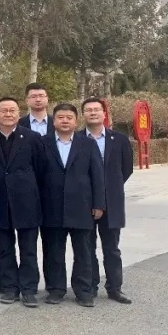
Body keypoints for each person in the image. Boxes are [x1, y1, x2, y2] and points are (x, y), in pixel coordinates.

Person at [0, 97, 44, 308]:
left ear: (18, 113)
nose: (8, 114)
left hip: (26, 202)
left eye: (12, 110)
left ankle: (29, 289)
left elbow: (40, 170)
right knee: (3, 248)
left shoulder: (32, 138)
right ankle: (10, 287)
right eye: (3, 110)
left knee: (28, 249)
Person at [40, 103, 105, 308]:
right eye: (60, 117)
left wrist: (98, 204)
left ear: (76, 121)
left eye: (69, 117)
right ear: (54, 121)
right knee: (53, 252)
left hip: (82, 207)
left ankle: (84, 291)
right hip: (51, 207)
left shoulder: (88, 144)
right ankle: (56, 289)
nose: (65, 121)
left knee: (84, 252)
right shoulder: (43, 143)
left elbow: (97, 175)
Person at [83, 98, 133, 304]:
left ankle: (114, 288)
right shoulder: (77, 139)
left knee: (111, 248)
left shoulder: (119, 139)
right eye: (88, 110)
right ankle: (90, 286)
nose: (93, 113)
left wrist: (109, 187)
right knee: (87, 247)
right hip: (85, 202)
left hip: (112, 202)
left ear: (104, 114)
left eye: (97, 109)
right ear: (83, 115)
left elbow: (126, 169)